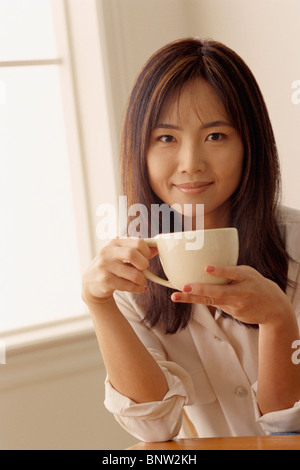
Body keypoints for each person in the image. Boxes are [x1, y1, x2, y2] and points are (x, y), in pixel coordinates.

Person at [82, 38, 300, 440]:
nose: (190, 164)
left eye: (215, 136)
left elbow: (288, 430)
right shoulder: (133, 273)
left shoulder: (296, 247)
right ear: (140, 151)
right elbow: (154, 426)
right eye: (166, 139)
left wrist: (278, 320)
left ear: (248, 145)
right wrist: (100, 305)